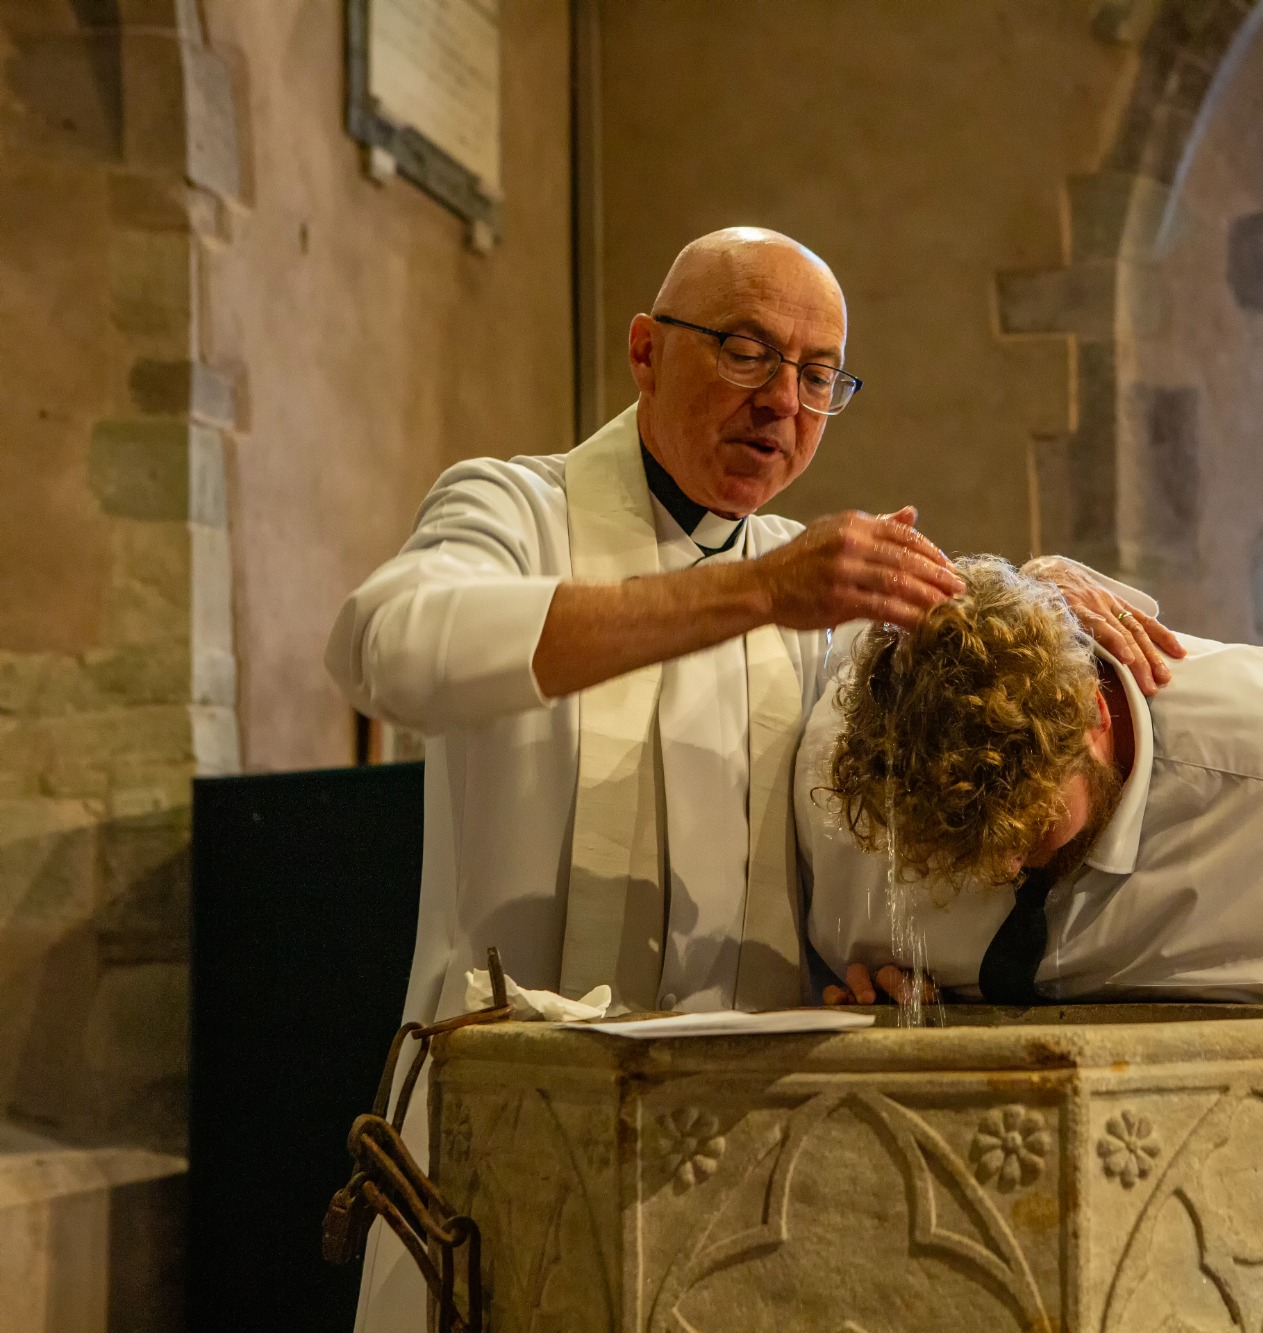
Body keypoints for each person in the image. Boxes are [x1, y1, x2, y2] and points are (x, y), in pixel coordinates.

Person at [325, 228, 1178, 1331]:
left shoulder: (810, 593)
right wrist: (758, 592)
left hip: (742, 1171)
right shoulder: (517, 509)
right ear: (645, 351)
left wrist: (1035, 595)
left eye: (819, 375)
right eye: (745, 351)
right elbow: (382, 644)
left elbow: (893, 810)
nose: (782, 399)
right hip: (503, 1146)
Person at [800, 557, 1263, 1127]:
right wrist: (871, 1004)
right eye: (961, 852)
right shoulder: (861, 763)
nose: (1002, 866)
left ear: (1093, 716)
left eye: (1029, 829)